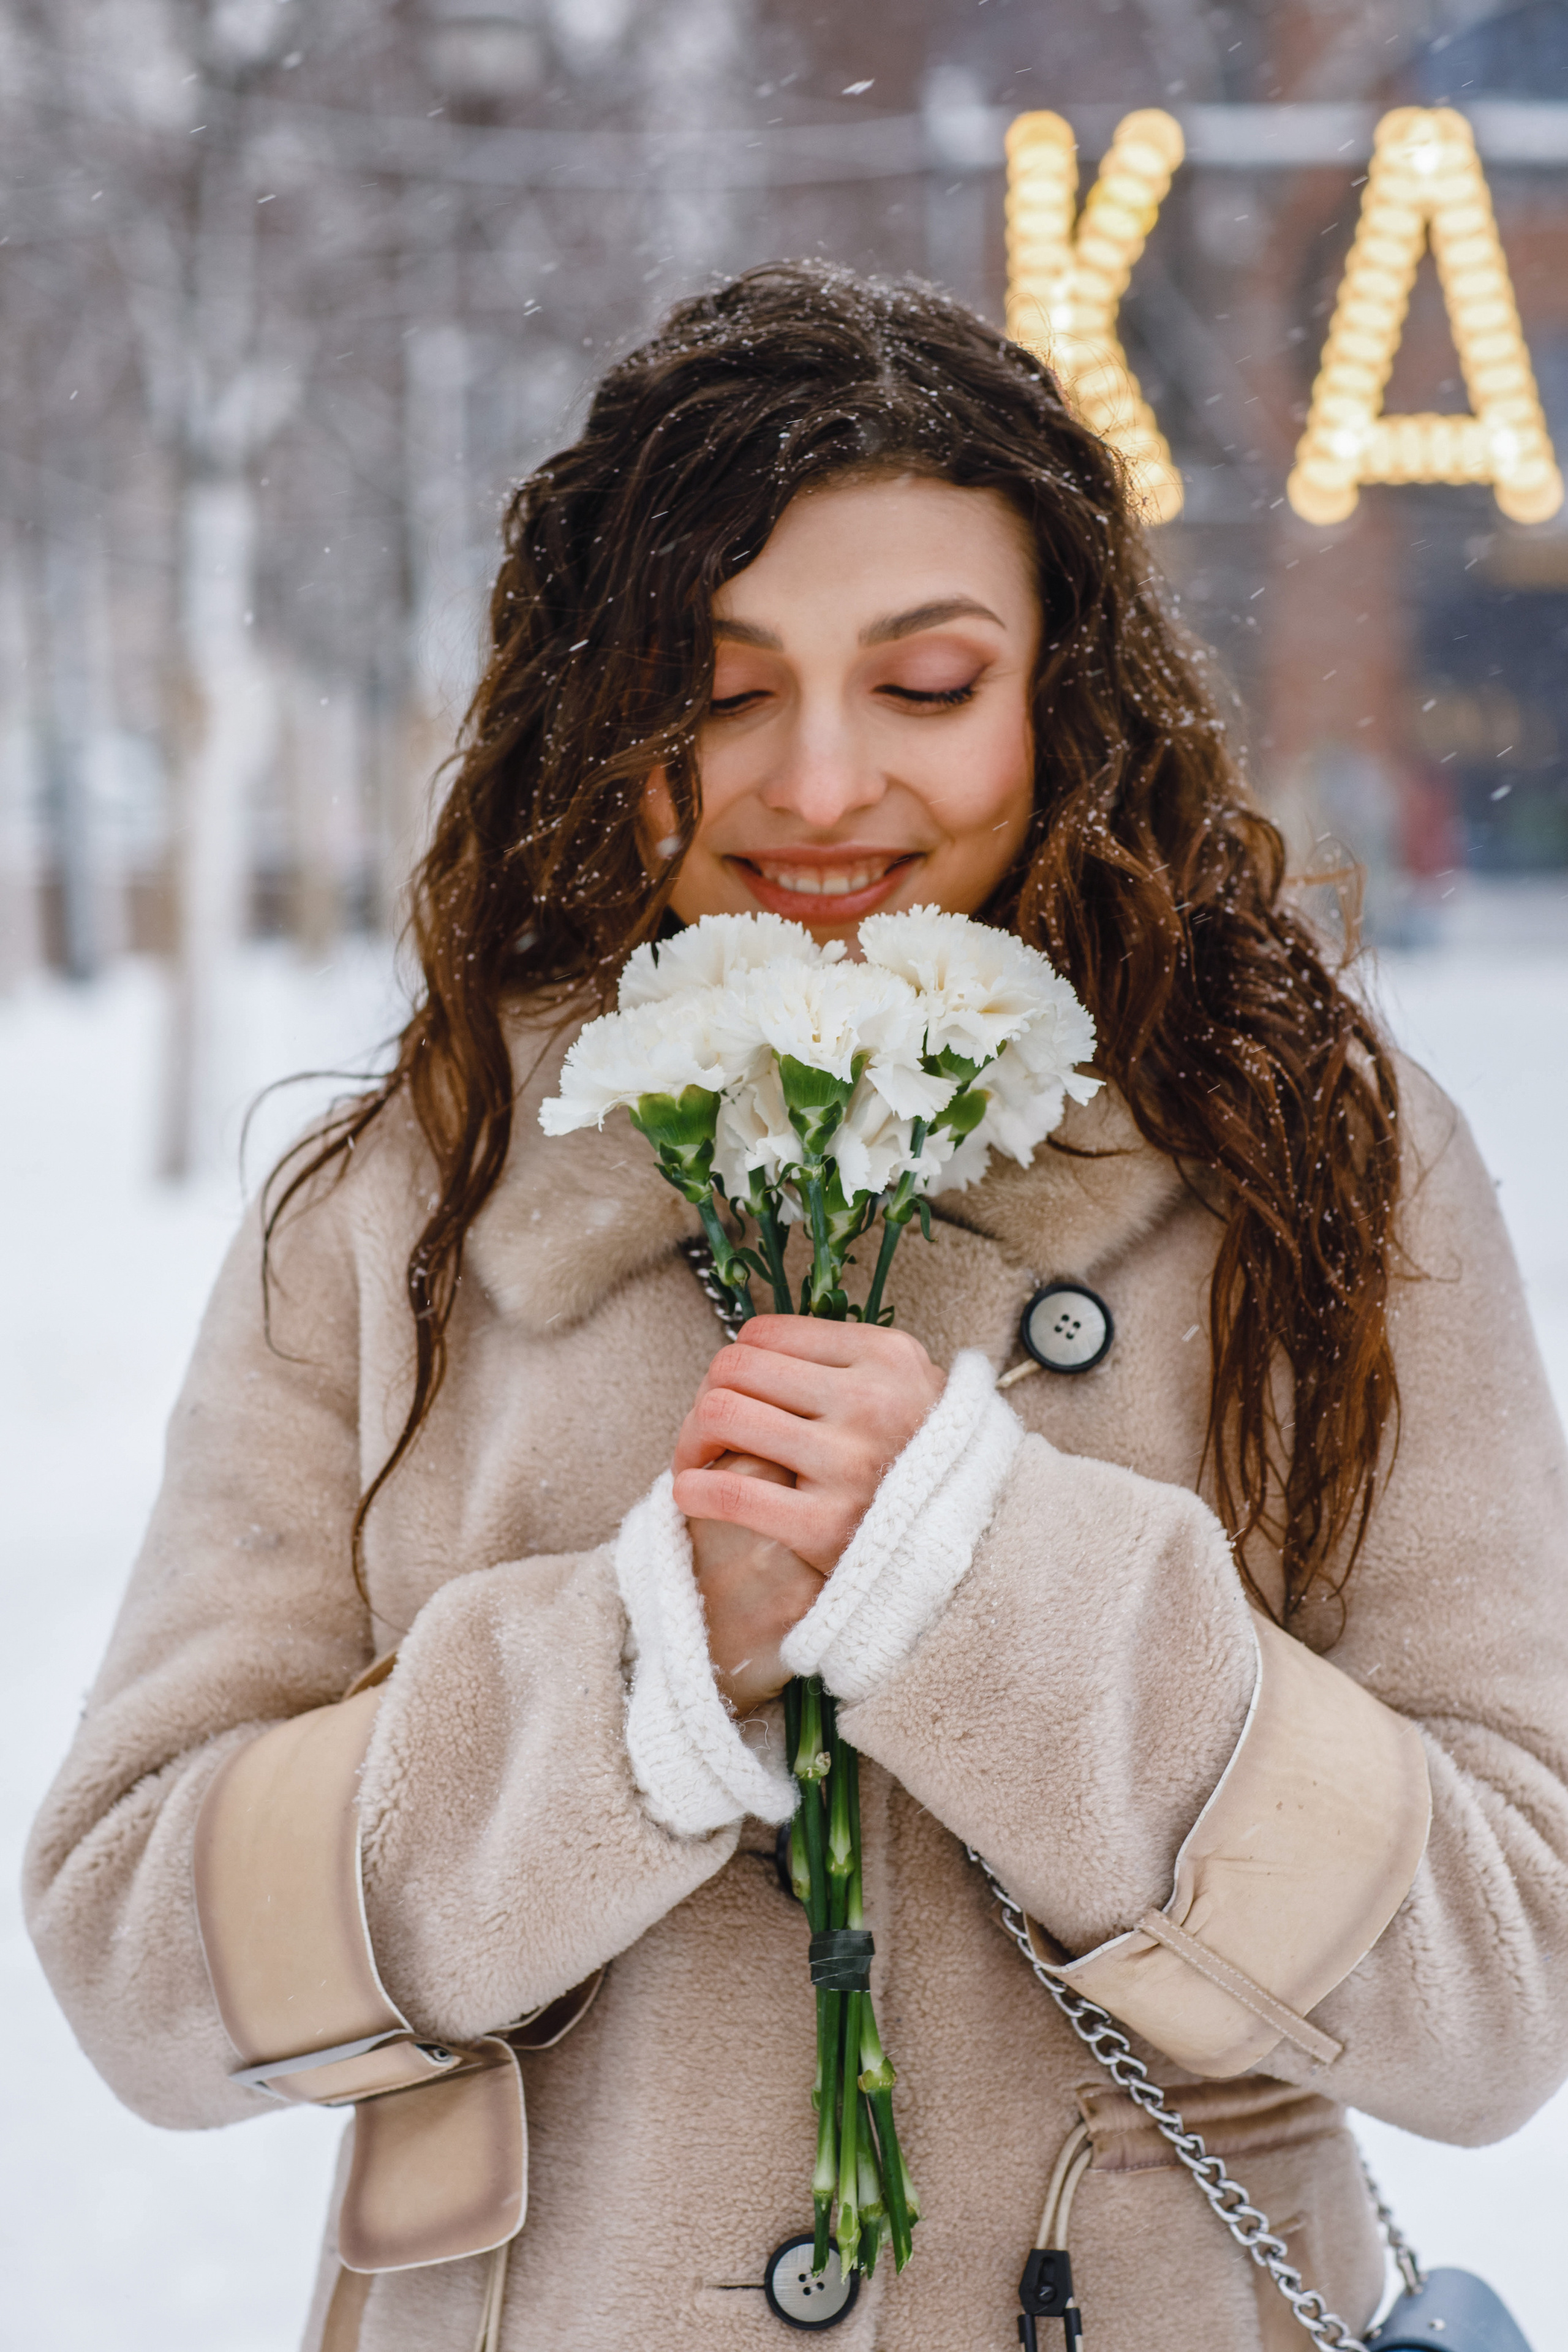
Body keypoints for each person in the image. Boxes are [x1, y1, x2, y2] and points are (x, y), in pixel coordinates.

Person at [24, 262, 1568, 2352]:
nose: (821, 785)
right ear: (604, 702)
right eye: (723, 687)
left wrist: (993, 1591)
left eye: (927, 687)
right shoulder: (406, 1195)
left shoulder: (1317, 1162)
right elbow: (138, 1951)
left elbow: (1512, 1971)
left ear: (1063, 697)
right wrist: (649, 1670)